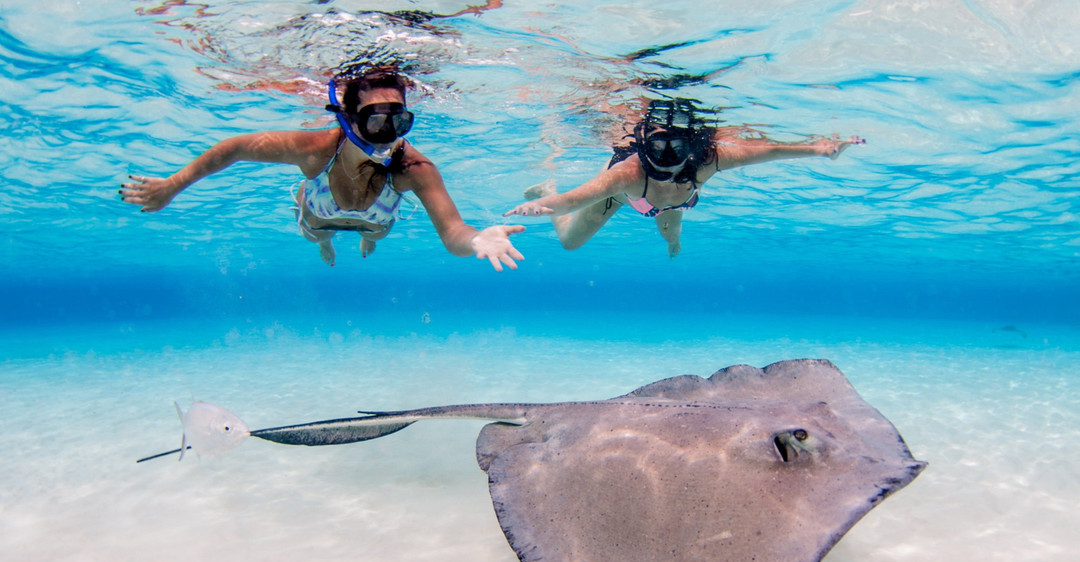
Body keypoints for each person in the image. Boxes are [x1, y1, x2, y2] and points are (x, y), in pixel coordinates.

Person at [120, 69, 525, 270]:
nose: (388, 136)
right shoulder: (315, 150)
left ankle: (364, 242)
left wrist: (475, 240)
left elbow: (452, 231)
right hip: (320, 211)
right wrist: (173, 184)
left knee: (375, 232)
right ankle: (326, 244)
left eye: (398, 121)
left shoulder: (414, 168)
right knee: (315, 230)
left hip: (375, 219)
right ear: (347, 120)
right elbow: (237, 148)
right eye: (375, 121)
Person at [504, 98, 864, 258]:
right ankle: (544, 183)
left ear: (693, 146)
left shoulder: (708, 160)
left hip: (676, 203)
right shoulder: (628, 173)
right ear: (643, 145)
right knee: (569, 242)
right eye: (658, 148)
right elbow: (573, 200)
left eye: (678, 148)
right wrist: (540, 204)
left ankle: (673, 244)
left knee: (671, 234)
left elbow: (768, 151)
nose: (668, 159)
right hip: (628, 197)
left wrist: (821, 150)